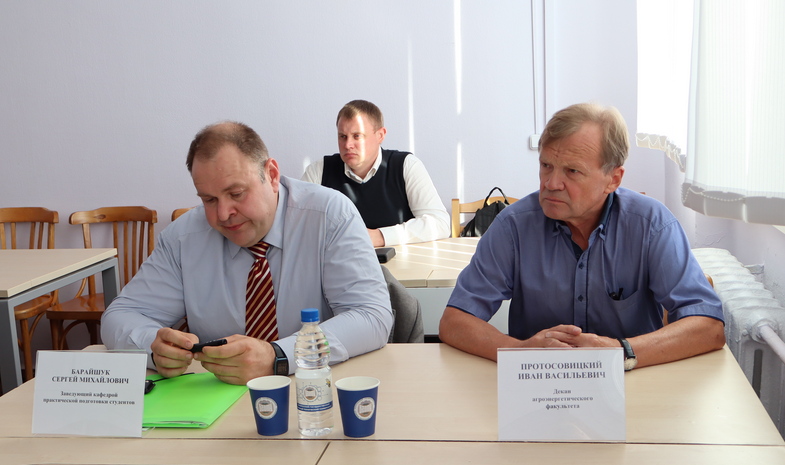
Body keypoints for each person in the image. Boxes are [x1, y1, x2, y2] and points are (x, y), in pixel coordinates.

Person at [102, 121, 393, 385]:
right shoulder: (183, 238)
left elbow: (371, 315)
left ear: (272, 175)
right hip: (216, 398)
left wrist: (279, 355)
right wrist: (153, 347)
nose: (223, 213)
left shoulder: (329, 215)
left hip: (314, 390)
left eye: (237, 194)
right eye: (209, 200)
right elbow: (121, 315)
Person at [439, 103, 725, 369]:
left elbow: (709, 327)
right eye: (546, 165)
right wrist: (520, 351)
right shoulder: (513, 226)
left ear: (613, 179)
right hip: (539, 384)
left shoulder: (651, 225)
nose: (551, 183)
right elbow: (455, 321)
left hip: (632, 382)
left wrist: (620, 350)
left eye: (572, 171)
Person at [302, 99, 450, 247]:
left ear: (380, 135)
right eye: (342, 136)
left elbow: (439, 223)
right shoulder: (319, 170)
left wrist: (378, 237)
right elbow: (296, 224)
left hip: (401, 260)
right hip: (338, 260)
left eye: (357, 136)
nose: (348, 145)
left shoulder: (406, 165)